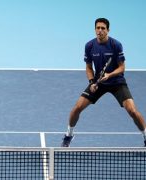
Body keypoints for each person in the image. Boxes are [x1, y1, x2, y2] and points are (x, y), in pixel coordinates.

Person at [61, 18, 146, 147]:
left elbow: (122, 67)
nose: (100, 31)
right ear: (95, 29)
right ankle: (69, 135)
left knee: (132, 111)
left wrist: (110, 75)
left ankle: (145, 135)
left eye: (103, 28)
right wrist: (91, 82)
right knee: (77, 108)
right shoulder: (89, 45)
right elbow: (89, 67)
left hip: (117, 82)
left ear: (108, 30)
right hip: (98, 83)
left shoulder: (116, 45)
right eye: (98, 28)